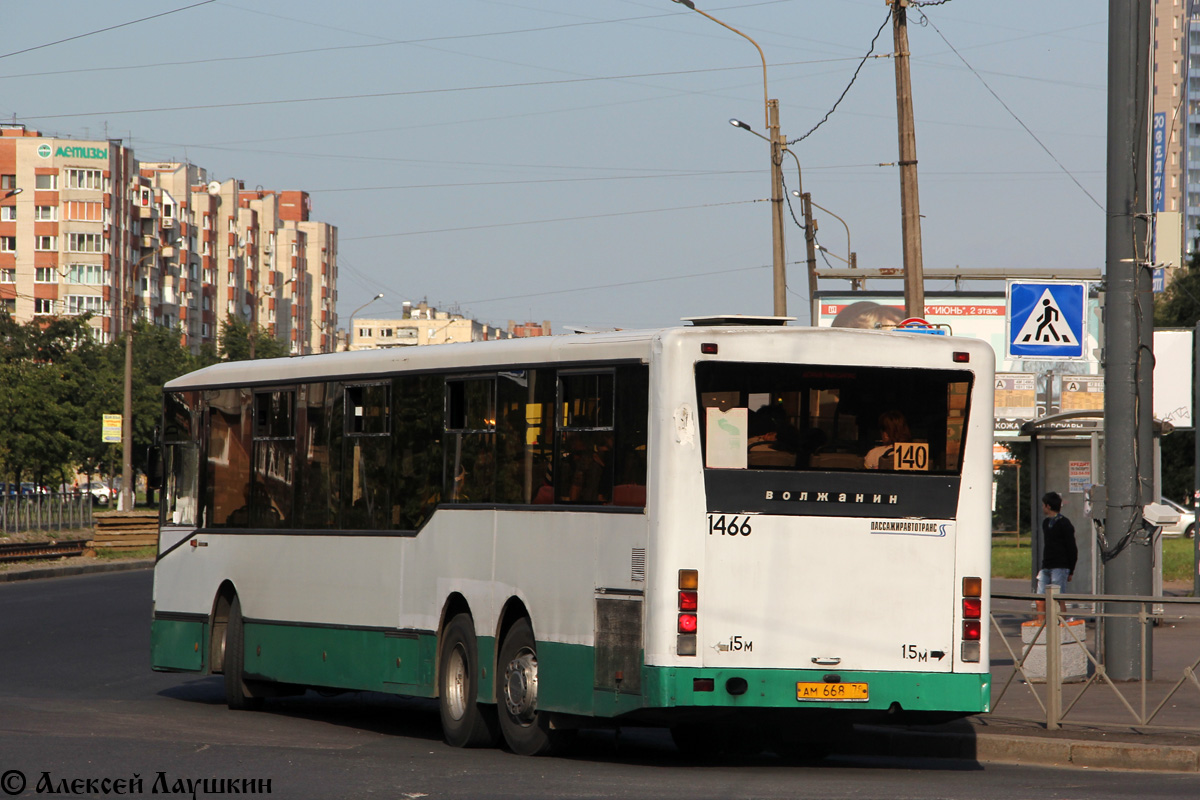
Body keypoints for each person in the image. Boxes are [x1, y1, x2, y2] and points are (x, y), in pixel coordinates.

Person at [1036, 491, 1077, 625]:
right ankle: (1041, 624)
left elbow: (1071, 547)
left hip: (1060, 566)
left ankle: (1061, 624)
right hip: (1047, 565)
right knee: (1040, 598)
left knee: (1058, 598)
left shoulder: (1064, 523)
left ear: (1048, 506)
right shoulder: (1046, 523)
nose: (1042, 508)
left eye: (1043, 505)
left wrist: (1071, 569)